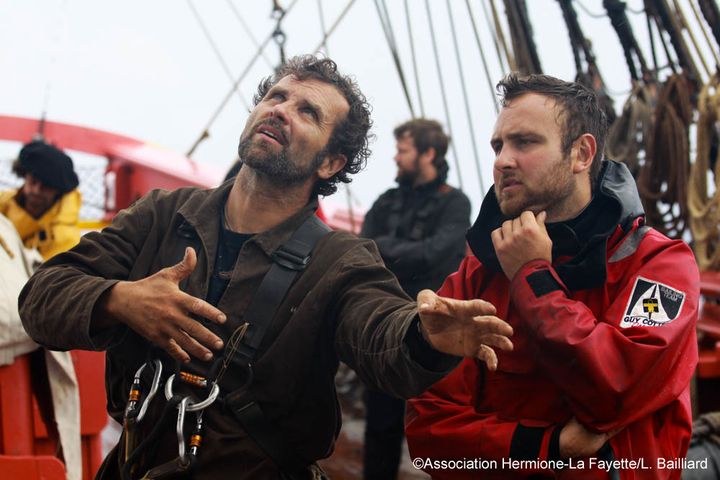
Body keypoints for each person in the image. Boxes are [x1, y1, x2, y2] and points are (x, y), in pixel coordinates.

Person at [19, 55, 513, 480]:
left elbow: (381, 332)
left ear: (330, 163)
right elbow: (40, 299)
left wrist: (425, 338)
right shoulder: (162, 214)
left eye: (307, 112)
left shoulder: (341, 262)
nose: (280, 110)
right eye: (275, 96)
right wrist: (119, 300)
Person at [405, 73, 699, 479]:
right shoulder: (479, 271)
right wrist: (550, 447)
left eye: (524, 142)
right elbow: (430, 437)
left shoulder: (659, 265)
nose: (503, 160)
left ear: (581, 153)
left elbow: (614, 390)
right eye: (498, 145)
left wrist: (532, 275)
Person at [360, 118, 470, 479]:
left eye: (403, 150)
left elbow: (434, 256)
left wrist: (386, 249)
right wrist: (403, 251)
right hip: (383, 327)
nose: (395, 157)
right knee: (380, 423)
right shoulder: (386, 201)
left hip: (433, 335)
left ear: (428, 153)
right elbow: (363, 249)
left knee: (441, 428)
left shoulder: (455, 203)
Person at [0, 212, 82, 480]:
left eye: (42, 184)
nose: (34, 190)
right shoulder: (10, 215)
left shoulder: (65, 238)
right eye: (30, 181)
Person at [0, 140, 82, 260]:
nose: (37, 190)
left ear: (58, 190)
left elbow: (48, 278)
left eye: (46, 186)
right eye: (33, 181)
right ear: (24, 175)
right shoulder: (3, 204)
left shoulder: (65, 238)